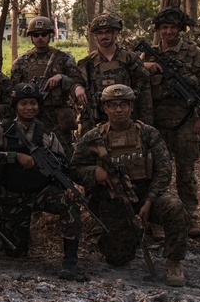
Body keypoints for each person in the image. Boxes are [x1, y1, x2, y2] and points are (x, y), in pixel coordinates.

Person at [71, 85, 190, 287]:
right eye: (113, 105)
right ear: (105, 108)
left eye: (124, 104)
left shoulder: (147, 134)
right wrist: (94, 172)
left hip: (146, 195)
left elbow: (164, 171)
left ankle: (174, 261)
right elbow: (74, 168)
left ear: (131, 107)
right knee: (117, 258)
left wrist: (150, 201)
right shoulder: (94, 137)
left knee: (174, 207)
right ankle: (127, 235)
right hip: (114, 200)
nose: (119, 110)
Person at [0, 84, 84, 280]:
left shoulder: (46, 134)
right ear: (16, 106)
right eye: (24, 103)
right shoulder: (0, 130)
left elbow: (62, 165)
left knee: (69, 201)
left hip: (40, 193)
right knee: (15, 252)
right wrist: (15, 156)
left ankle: (70, 262)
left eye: (33, 103)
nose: (29, 108)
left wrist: (68, 187)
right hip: (11, 195)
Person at [139, 7, 200, 238]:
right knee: (154, 173)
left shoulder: (193, 54)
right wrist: (143, 66)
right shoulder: (149, 54)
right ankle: (156, 218)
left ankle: (189, 217)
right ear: (158, 30)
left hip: (185, 123)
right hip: (155, 124)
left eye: (173, 27)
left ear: (180, 29)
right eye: (164, 27)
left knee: (186, 172)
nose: (169, 31)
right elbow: (133, 77)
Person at [10, 16, 86, 151]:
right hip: (32, 117)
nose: (40, 37)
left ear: (50, 35)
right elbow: (13, 90)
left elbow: (78, 82)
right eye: (36, 34)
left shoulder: (64, 58)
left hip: (58, 118)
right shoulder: (22, 61)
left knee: (64, 154)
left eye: (44, 34)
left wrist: (61, 77)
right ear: (31, 36)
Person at [77, 14, 152, 134]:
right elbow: (75, 85)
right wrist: (77, 87)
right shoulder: (87, 63)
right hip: (98, 125)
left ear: (115, 33)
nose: (104, 36)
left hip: (128, 124)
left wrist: (145, 127)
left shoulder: (131, 60)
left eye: (108, 32)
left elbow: (145, 96)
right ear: (95, 36)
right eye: (100, 33)